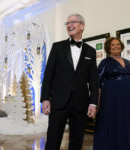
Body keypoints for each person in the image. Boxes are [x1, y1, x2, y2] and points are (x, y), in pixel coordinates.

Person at [40, 13, 99, 150]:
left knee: (77, 141)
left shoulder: (91, 51)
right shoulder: (57, 47)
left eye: (73, 22)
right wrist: (45, 99)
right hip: (58, 101)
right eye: (67, 23)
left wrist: (93, 102)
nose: (69, 25)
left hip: (80, 102)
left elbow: (93, 79)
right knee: (53, 140)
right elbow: (48, 75)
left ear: (82, 26)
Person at [93, 37, 130, 150]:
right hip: (111, 99)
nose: (116, 46)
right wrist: (96, 102)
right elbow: (98, 84)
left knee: (128, 122)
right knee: (113, 123)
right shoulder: (104, 62)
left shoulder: (127, 62)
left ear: (121, 46)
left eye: (117, 44)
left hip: (128, 99)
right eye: (113, 45)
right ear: (108, 48)